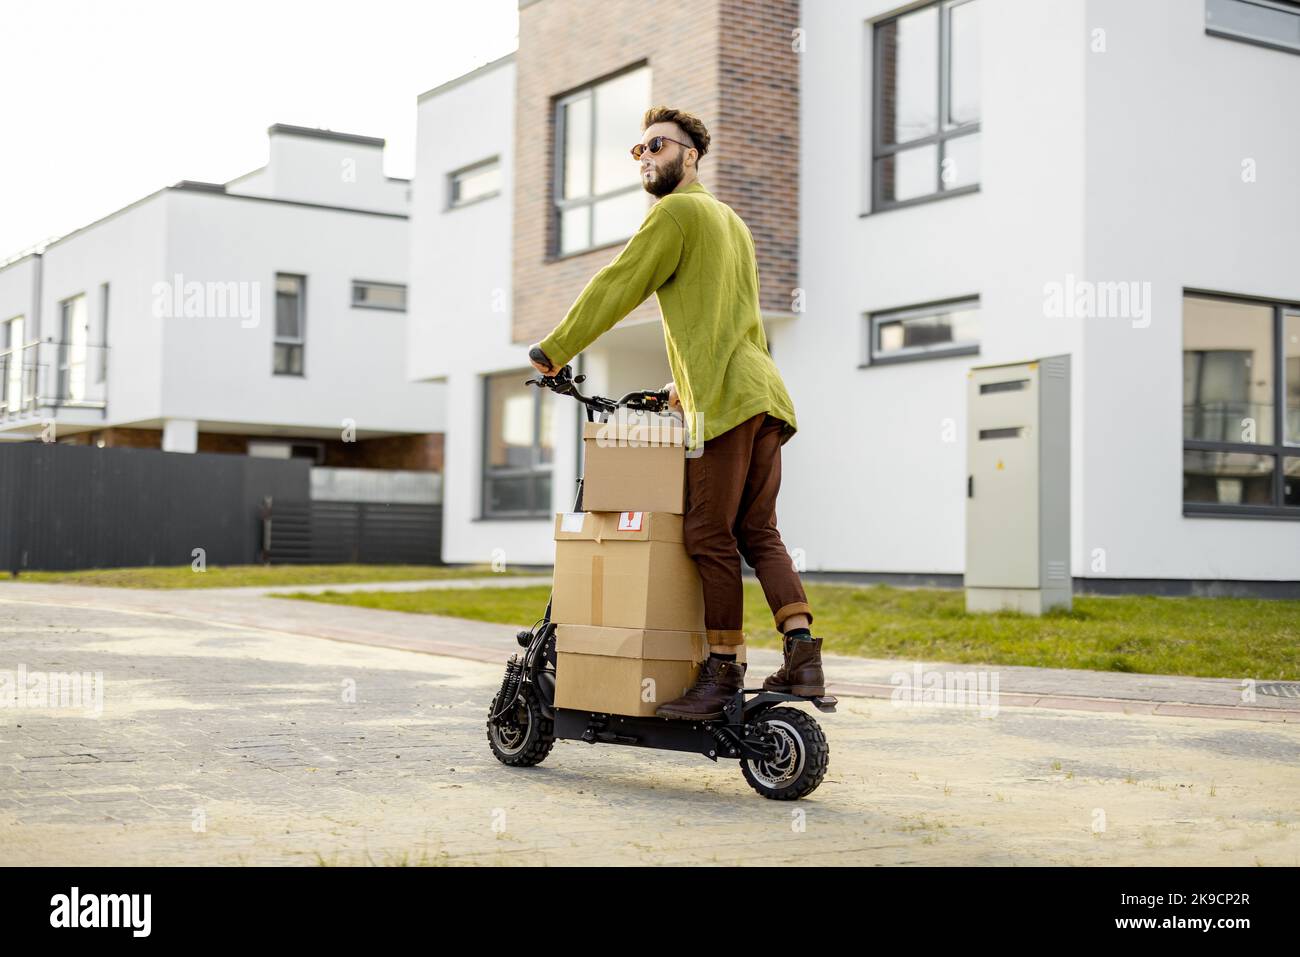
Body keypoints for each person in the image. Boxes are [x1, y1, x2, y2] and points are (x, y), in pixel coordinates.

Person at [528, 106, 824, 720]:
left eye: (657, 146)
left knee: (706, 534)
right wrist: (680, 385)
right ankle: (803, 656)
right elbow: (730, 319)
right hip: (764, 394)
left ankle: (723, 672)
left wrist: (554, 351)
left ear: (690, 156)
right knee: (758, 532)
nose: (646, 157)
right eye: (637, 151)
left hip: (727, 400)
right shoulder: (730, 221)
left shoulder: (677, 213)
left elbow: (618, 284)